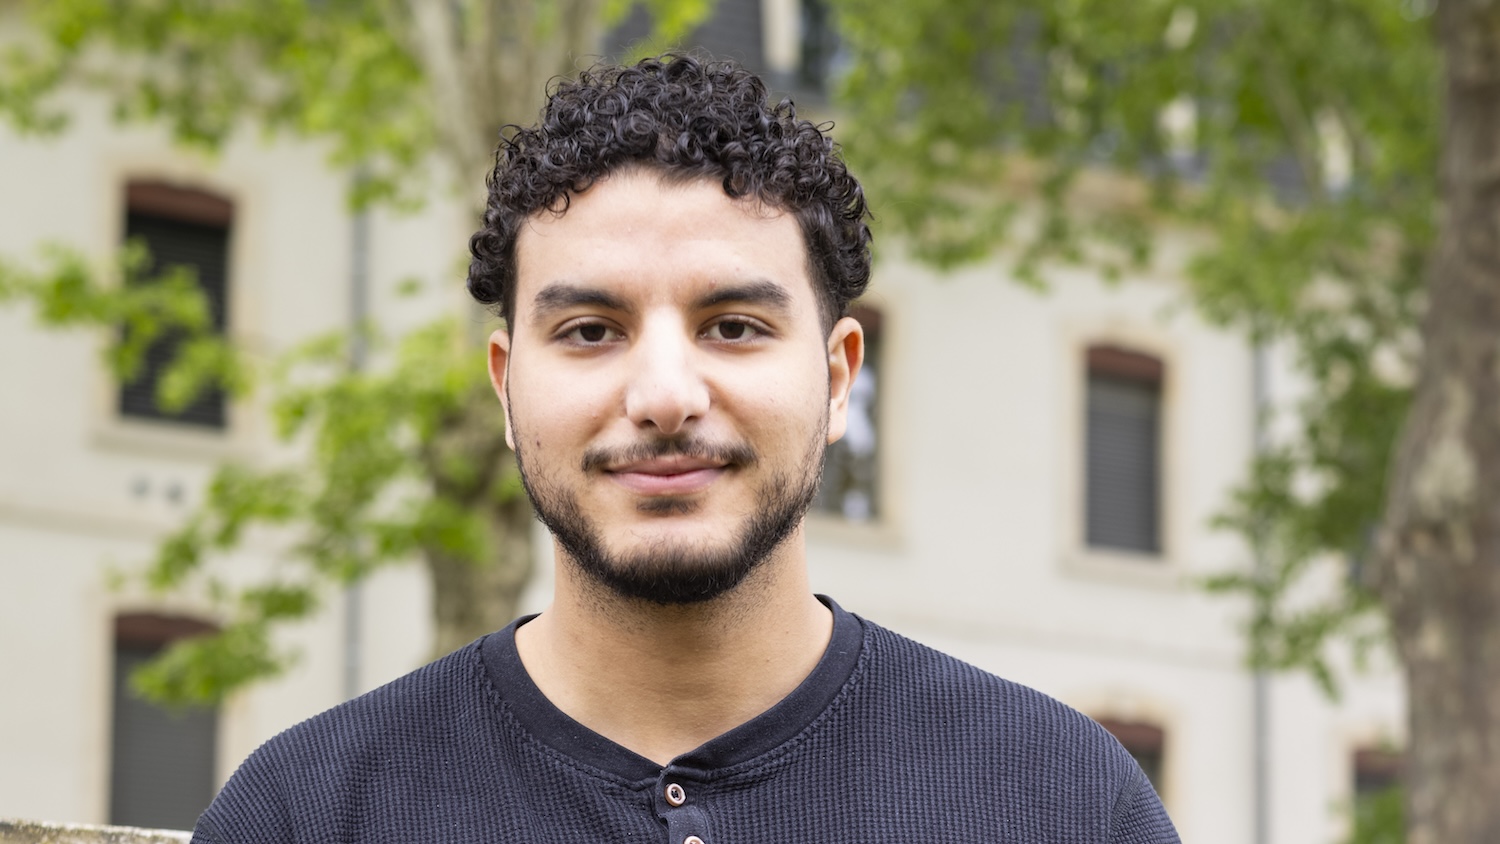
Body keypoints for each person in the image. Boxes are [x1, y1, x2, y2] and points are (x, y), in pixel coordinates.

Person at [191, 54, 1181, 844]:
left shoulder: (1060, 802)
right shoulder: (307, 812)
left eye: (734, 326)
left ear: (840, 378)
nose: (665, 396)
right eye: (590, 331)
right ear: (505, 386)